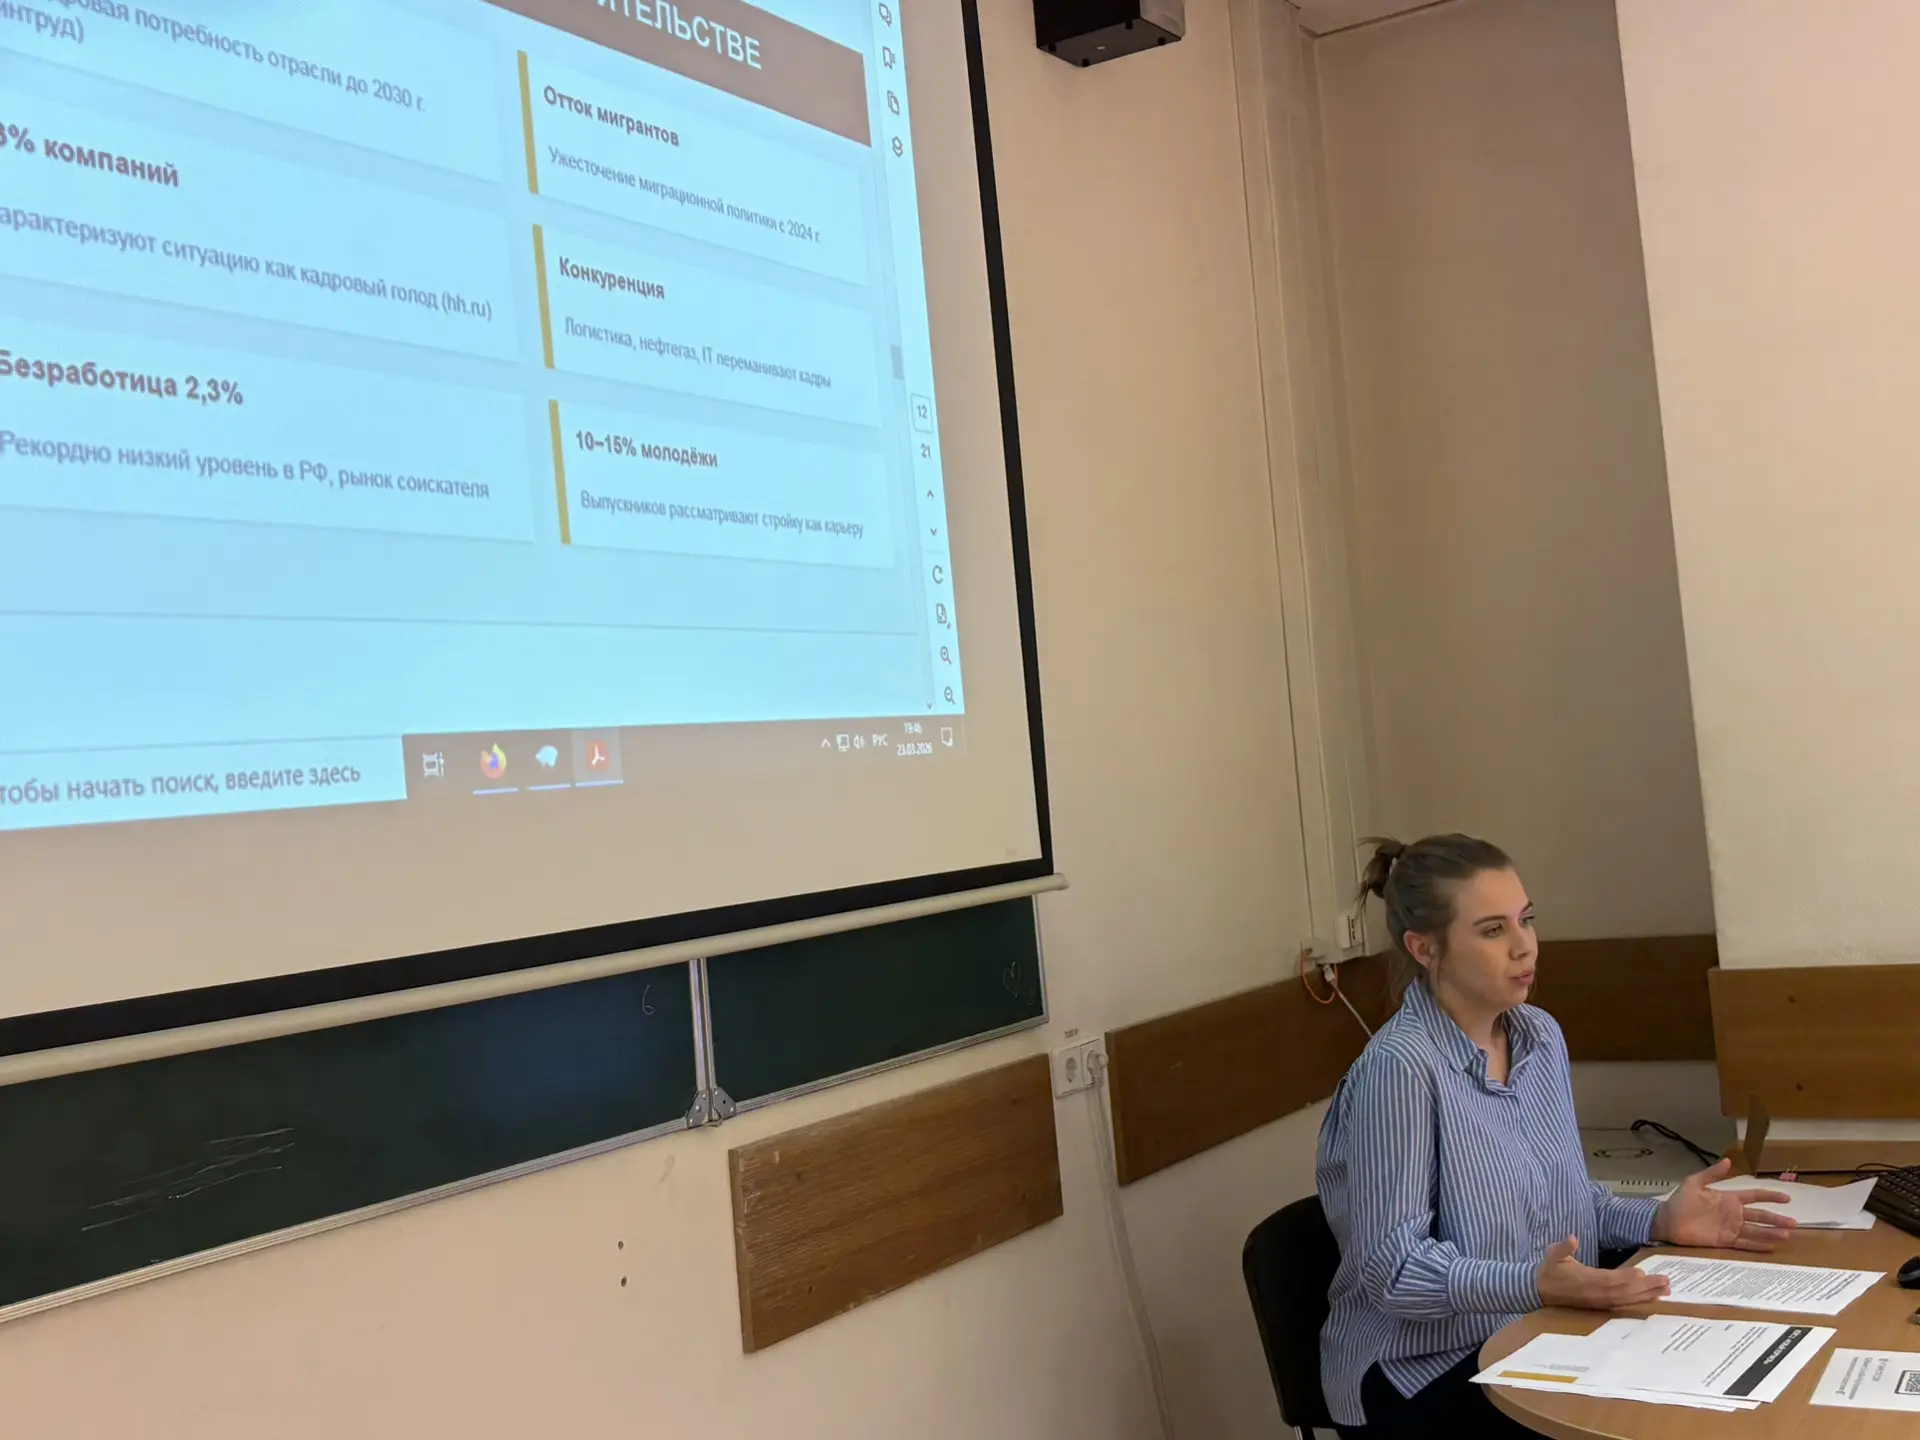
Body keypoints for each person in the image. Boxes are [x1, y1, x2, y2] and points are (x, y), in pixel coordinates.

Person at [1317, 834, 1793, 1439]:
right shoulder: (1400, 1069)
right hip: (1420, 1369)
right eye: (1493, 930)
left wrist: (1659, 1220)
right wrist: (1533, 1282)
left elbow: (1567, 1203)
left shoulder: (1538, 1036)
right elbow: (1392, 1270)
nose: (1525, 946)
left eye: (1527, 919)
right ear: (1424, 948)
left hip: (1537, 1328)